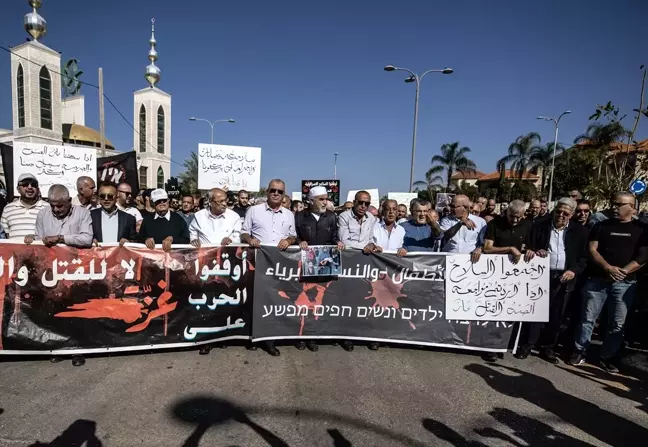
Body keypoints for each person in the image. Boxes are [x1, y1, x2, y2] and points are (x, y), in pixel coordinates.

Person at [569, 192, 648, 372]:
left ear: (631, 207)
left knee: (617, 323)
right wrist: (607, 267)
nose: (614, 207)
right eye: (613, 203)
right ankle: (580, 351)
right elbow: (592, 249)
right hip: (597, 280)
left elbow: (643, 257)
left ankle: (608, 356)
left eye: (619, 205)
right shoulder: (601, 225)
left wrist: (623, 271)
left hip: (625, 283)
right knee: (588, 318)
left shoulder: (641, 229)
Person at [517, 197, 589, 364]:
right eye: (558, 212)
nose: (561, 216)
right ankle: (527, 345)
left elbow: (583, 258)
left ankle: (547, 348)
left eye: (565, 213)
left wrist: (573, 271)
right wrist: (533, 251)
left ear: (571, 215)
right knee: (535, 311)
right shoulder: (540, 226)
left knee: (557, 315)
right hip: (541, 275)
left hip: (564, 277)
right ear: (554, 210)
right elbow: (528, 246)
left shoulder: (580, 231)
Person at [241, 179, 296, 357]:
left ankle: (269, 339)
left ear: (284, 194)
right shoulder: (254, 211)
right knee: (256, 300)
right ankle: (254, 336)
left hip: (279, 265)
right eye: (273, 190)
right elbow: (243, 232)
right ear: (267, 191)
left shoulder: (289, 214)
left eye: (280, 192)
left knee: (274, 301)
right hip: (258, 262)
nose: (276, 194)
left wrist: (288, 241)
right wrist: (250, 240)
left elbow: (293, 236)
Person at [482, 199, 534, 362]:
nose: (516, 220)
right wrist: (510, 249)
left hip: (519, 276)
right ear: (506, 212)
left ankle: (505, 344)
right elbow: (487, 248)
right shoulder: (495, 224)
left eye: (519, 217)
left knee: (511, 312)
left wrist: (531, 251)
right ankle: (491, 347)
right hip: (495, 273)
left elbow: (531, 246)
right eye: (512, 216)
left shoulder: (528, 225)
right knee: (494, 311)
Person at [295, 186, 344, 352]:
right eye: (321, 199)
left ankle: (314, 335)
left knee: (319, 302)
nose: (325, 202)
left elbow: (334, 236)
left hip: (323, 266)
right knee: (304, 302)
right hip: (305, 268)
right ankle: (301, 337)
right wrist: (299, 242)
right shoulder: (300, 216)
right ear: (311, 201)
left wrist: (338, 242)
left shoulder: (331, 216)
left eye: (326, 199)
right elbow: (294, 235)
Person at [439, 195, 486, 263]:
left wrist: (479, 248)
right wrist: (460, 223)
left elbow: (484, 241)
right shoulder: (446, 220)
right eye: (450, 206)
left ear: (465, 208)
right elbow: (446, 235)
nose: (450, 209)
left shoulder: (480, 222)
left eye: (453, 206)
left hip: (471, 261)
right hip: (449, 260)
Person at [0, 173, 47, 240]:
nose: (30, 187)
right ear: (18, 189)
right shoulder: (8, 209)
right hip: (14, 250)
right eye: (25, 184)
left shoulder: (48, 208)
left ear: (38, 189)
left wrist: (36, 238)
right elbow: (4, 236)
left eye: (33, 184)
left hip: (40, 250)